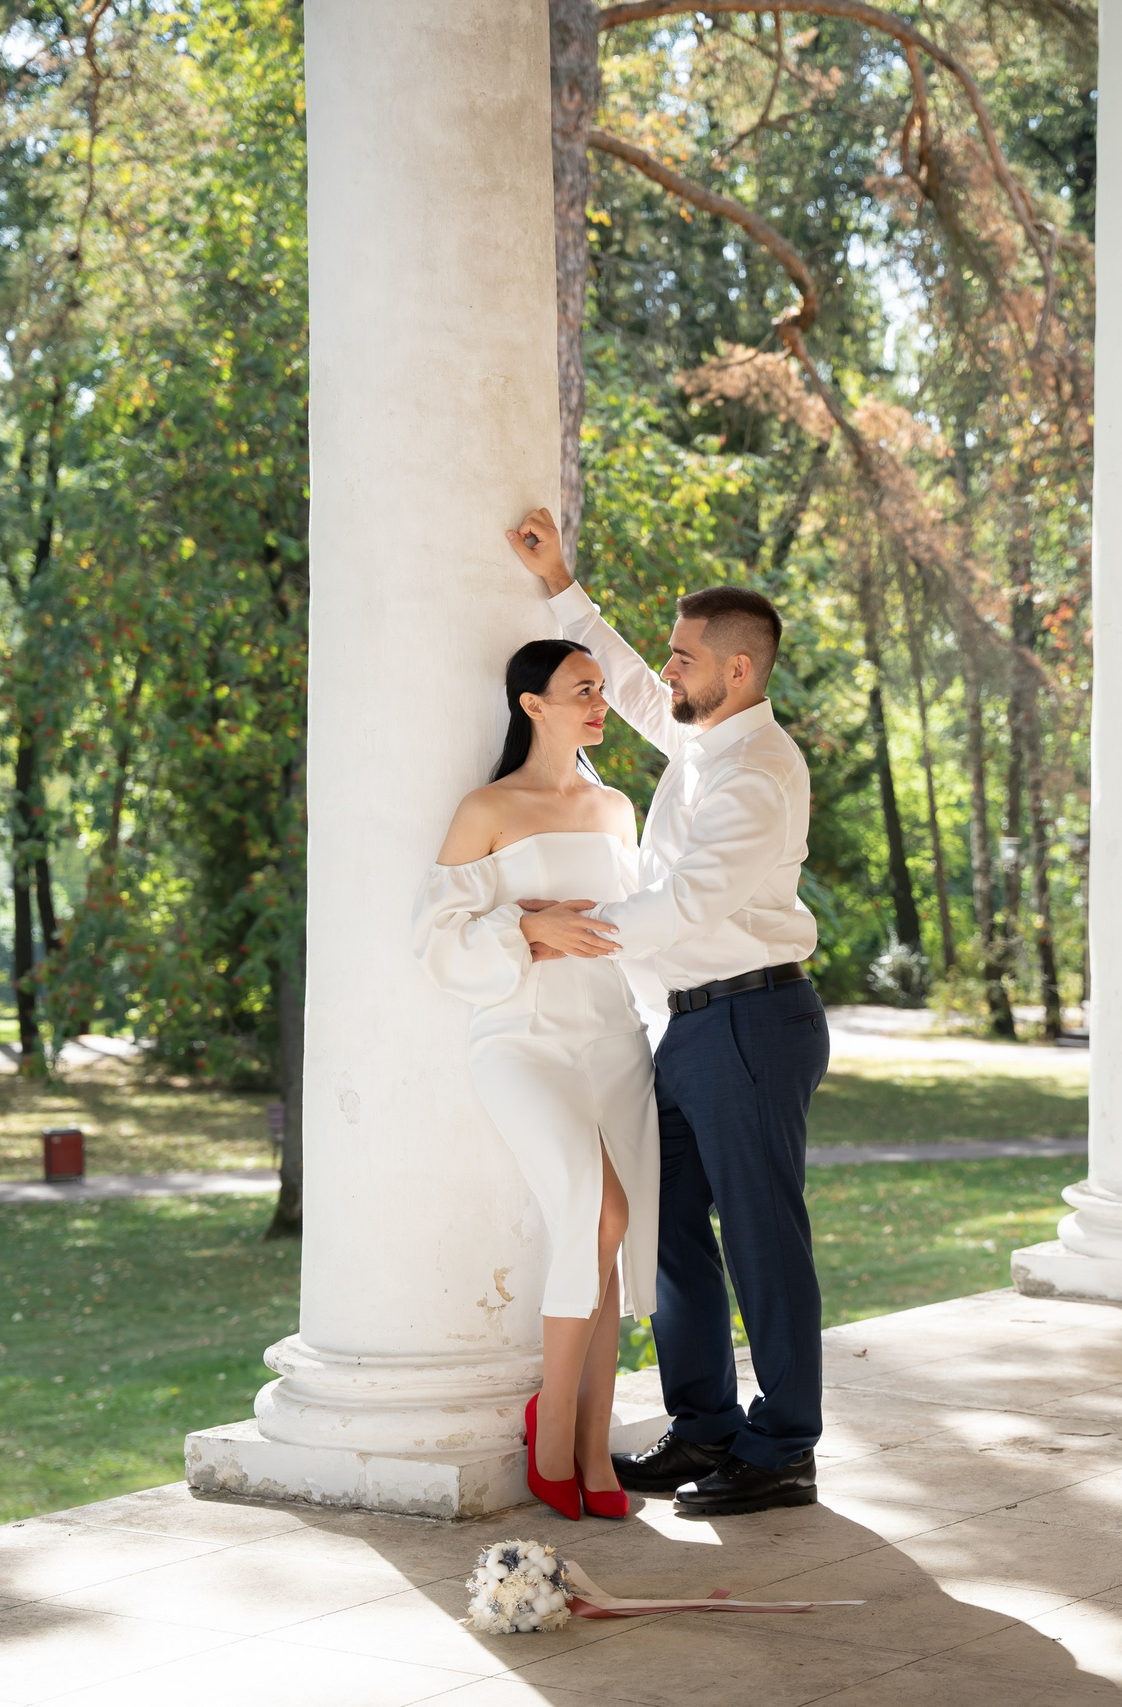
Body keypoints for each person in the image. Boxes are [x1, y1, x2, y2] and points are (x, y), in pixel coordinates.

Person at [503, 506, 831, 1519]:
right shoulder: (704, 740)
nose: (667, 674)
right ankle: (702, 1426)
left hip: (749, 1022)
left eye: (686, 658)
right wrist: (560, 583)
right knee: (667, 1228)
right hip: (691, 1027)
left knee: (760, 1236)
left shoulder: (758, 776)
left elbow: (682, 905)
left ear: (736, 672)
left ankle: (780, 1447)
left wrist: (560, 927)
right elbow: (637, 688)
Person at [413, 637, 657, 1522]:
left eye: (601, 689)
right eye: (582, 689)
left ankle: (594, 1446)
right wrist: (526, 927)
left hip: (614, 1041)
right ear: (532, 706)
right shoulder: (488, 806)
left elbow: (638, 924)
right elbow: (434, 937)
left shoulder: (618, 807)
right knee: (602, 1212)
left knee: (614, 1236)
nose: (600, 703)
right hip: (520, 1035)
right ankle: (552, 1427)